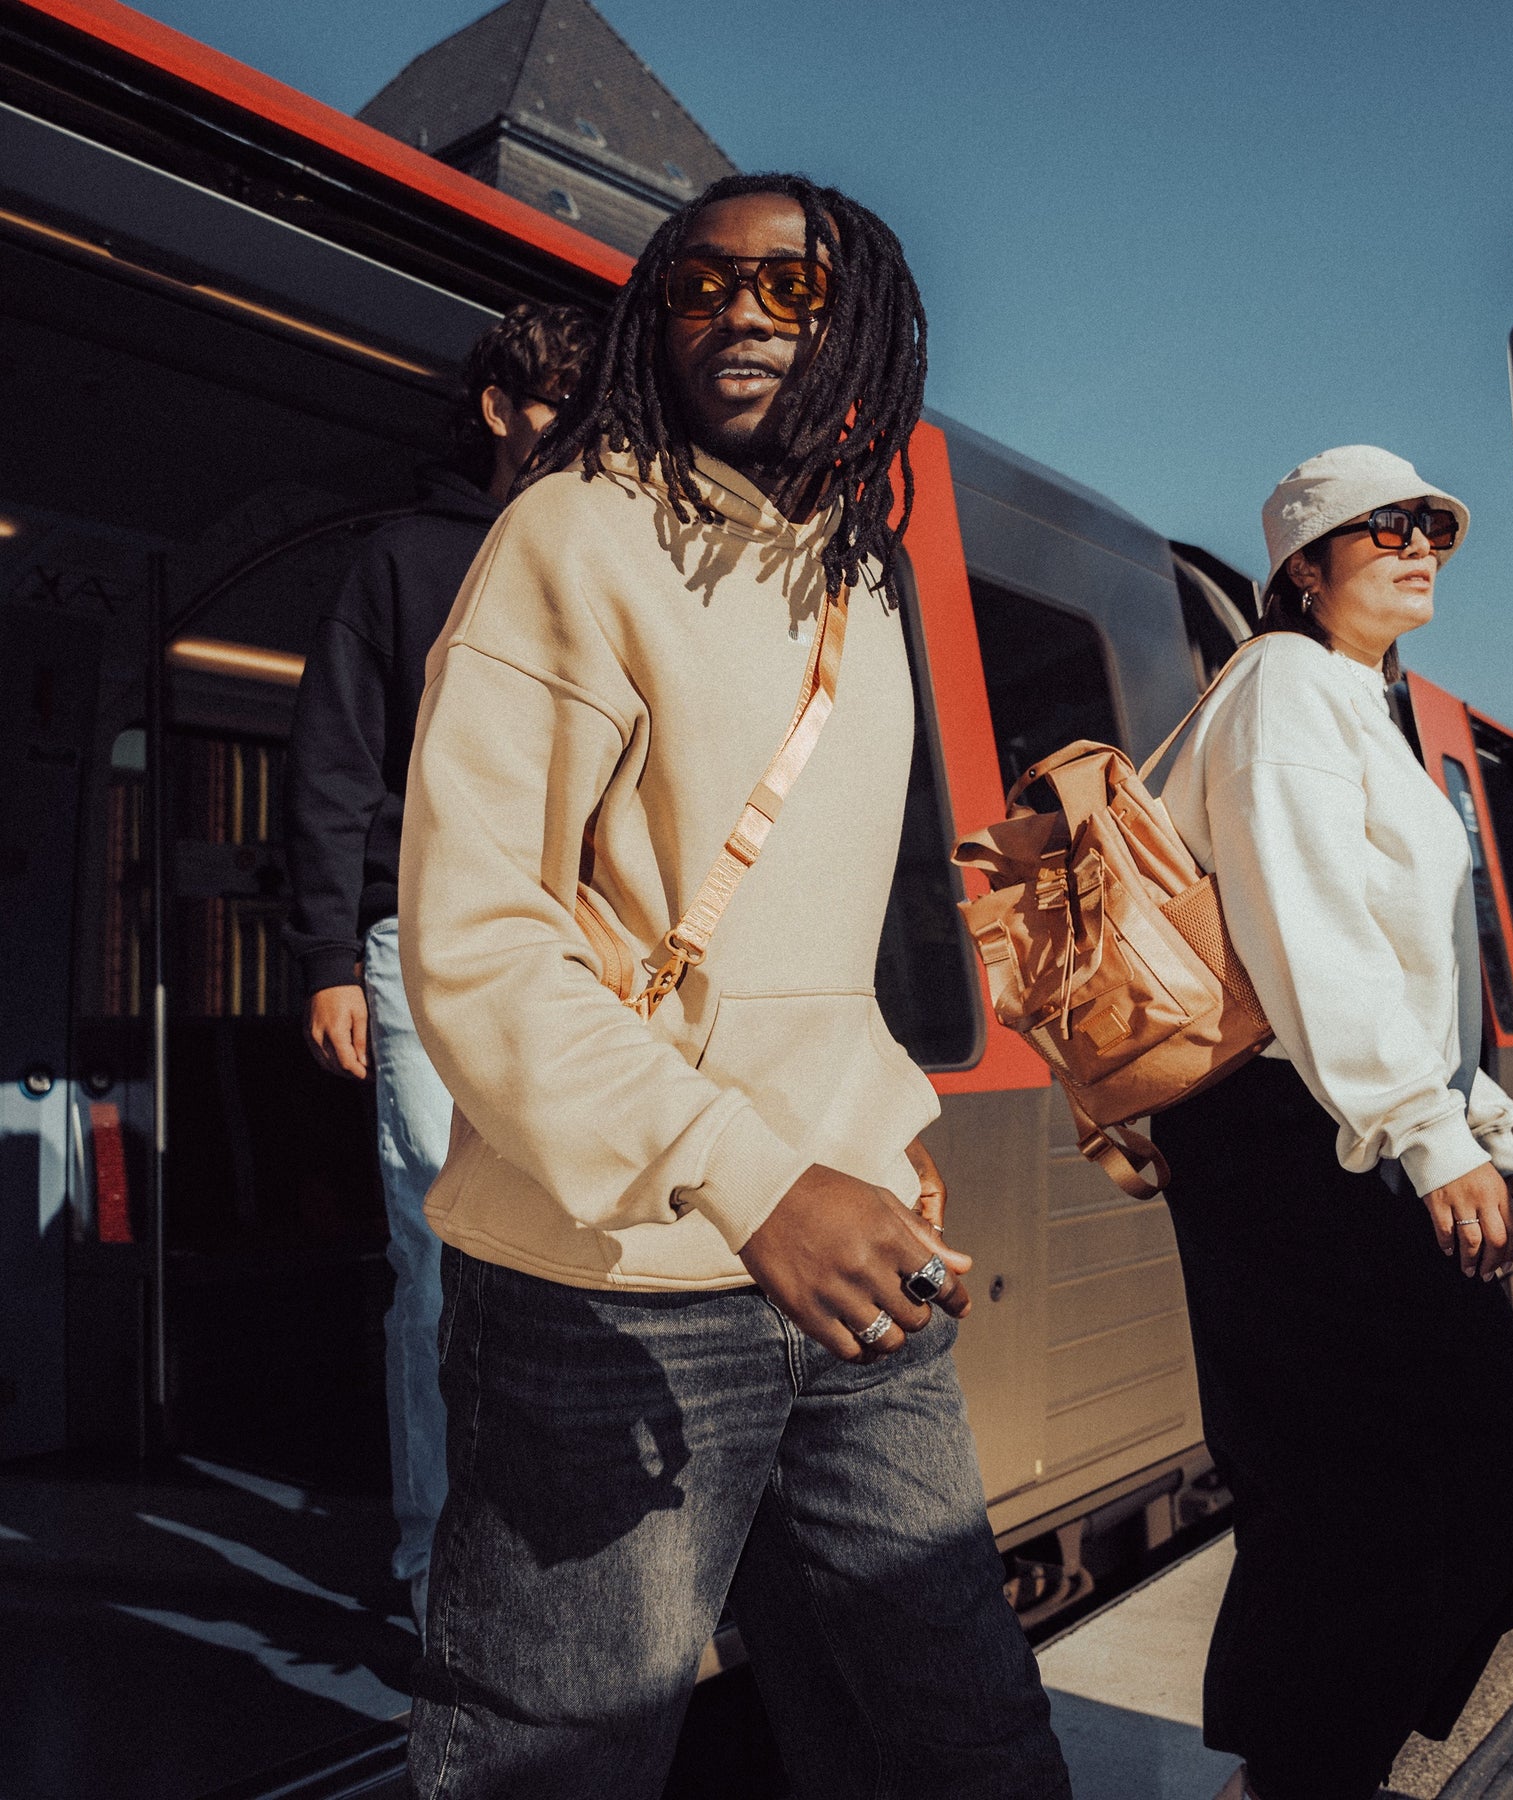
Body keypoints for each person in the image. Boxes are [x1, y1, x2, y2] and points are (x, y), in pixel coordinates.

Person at [398, 173, 1071, 1799]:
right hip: (607, 1286)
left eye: (792, 289)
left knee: (963, 1749)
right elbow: (477, 935)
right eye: (701, 288)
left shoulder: (851, 579)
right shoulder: (571, 536)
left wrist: (880, 1120)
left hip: (850, 1274)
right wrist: (756, 1172)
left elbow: (836, 938)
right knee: (550, 1768)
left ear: (864, 327)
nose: (742, 318)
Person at [1157, 446, 1513, 1800]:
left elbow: (1410, 963)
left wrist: (1488, 1126)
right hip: (1294, 1142)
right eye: (1381, 528)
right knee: (1445, 1502)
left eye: (1432, 531)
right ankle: (1301, 1778)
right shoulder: (1285, 686)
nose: (1417, 546)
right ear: (1302, 566)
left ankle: (1296, 1774)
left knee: (1404, 1507)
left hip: (1331, 1134)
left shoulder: (1356, 701)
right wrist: (1427, 1131)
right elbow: (1308, 929)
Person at [283, 302, 601, 1630]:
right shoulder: (402, 560)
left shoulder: (599, 564)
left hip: (578, 955)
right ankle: (437, 1575)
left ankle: (550, 1551)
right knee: (439, 1255)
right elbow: (335, 763)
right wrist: (327, 957)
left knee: (571, 1245)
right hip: (415, 948)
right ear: (497, 409)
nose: (582, 444)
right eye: (557, 415)